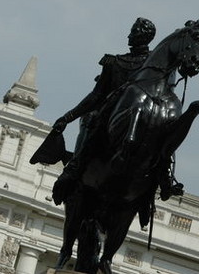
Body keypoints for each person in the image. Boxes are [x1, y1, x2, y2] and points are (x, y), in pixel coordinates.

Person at [51, 17, 183, 206]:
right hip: (111, 116)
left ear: (144, 36)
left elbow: (166, 92)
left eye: (134, 32)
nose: (129, 35)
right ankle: (73, 169)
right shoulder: (113, 62)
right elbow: (96, 96)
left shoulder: (158, 65)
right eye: (132, 31)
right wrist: (68, 117)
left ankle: (164, 180)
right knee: (90, 120)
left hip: (145, 114)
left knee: (160, 134)